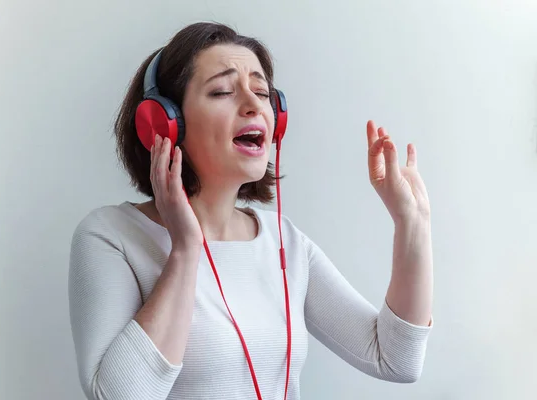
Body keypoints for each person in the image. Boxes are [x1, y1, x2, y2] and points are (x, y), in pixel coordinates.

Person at [68, 21, 433, 400]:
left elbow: (395, 359)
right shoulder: (111, 236)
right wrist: (186, 248)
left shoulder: (286, 243)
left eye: (262, 92)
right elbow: (119, 396)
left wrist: (412, 222)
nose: (253, 104)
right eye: (223, 91)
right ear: (165, 123)